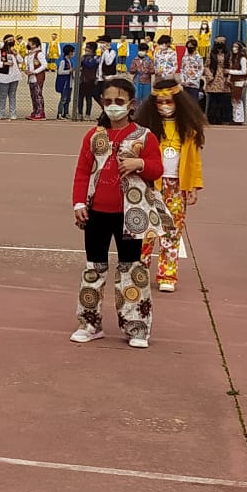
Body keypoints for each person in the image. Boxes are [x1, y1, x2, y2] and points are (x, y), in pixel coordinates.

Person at [71, 78, 169, 348]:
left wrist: (140, 163)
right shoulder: (93, 137)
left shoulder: (145, 136)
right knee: (94, 269)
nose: (113, 106)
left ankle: (136, 327)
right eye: (108, 101)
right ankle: (89, 324)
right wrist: (79, 203)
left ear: (131, 104)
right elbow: (82, 172)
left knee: (132, 269)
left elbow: (157, 169)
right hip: (96, 214)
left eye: (119, 101)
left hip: (130, 216)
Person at [136, 79, 204, 294]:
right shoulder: (146, 128)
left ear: (178, 102)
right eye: (160, 102)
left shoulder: (189, 129)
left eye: (168, 101)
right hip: (150, 184)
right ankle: (139, 271)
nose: (164, 106)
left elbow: (194, 160)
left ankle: (167, 274)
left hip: (176, 186)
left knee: (171, 231)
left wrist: (194, 185)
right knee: (145, 230)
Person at [0, 40, 23, 120]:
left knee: (12, 96)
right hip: (3, 77)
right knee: (3, 96)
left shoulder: (14, 52)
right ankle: (1, 113)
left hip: (14, 77)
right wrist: (4, 63)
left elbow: (21, 60)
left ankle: (13, 114)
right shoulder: (0, 53)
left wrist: (16, 54)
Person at [25, 37, 49, 121]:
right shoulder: (30, 54)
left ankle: (40, 113)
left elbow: (45, 65)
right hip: (31, 78)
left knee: (38, 95)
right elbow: (30, 65)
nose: (28, 44)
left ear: (34, 45)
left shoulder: (39, 54)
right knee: (33, 96)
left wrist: (34, 72)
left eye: (30, 43)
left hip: (37, 78)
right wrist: (27, 70)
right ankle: (35, 111)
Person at [227, 39, 247, 125]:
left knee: (237, 100)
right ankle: (235, 118)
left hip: (240, 81)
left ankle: (239, 119)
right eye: (233, 46)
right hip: (234, 80)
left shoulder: (242, 58)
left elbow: (244, 71)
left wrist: (230, 71)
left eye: (236, 47)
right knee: (234, 100)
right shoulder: (234, 58)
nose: (234, 48)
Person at [77, 42, 102, 118]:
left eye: (88, 49)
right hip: (83, 80)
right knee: (80, 97)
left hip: (91, 80)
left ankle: (88, 114)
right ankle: (80, 113)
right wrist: (81, 61)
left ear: (92, 50)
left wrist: (83, 61)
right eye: (86, 48)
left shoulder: (96, 58)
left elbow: (91, 65)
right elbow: (79, 66)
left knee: (88, 98)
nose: (86, 50)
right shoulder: (83, 57)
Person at [55, 43, 76, 119]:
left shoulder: (70, 61)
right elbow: (60, 72)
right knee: (63, 99)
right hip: (64, 83)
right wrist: (69, 71)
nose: (73, 53)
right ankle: (59, 113)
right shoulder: (63, 61)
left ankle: (66, 113)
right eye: (73, 52)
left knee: (68, 99)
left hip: (69, 83)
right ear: (69, 52)